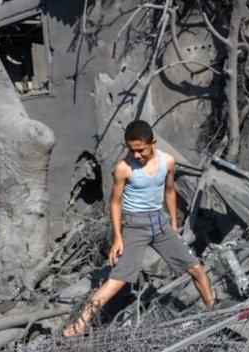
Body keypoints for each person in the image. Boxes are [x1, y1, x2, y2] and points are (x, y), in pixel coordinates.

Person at [63, 120, 216, 337]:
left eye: (140, 150)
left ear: (152, 143)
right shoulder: (124, 168)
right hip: (135, 226)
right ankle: (76, 327)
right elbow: (115, 203)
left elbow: (170, 190)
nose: (136, 155)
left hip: (160, 222)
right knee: (116, 281)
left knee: (196, 269)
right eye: (132, 150)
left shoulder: (168, 162)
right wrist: (118, 237)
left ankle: (213, 310)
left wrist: (173, 221)